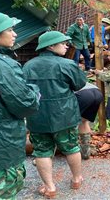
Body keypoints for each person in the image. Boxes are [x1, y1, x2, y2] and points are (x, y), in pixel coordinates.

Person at [24, 31, 87, 198]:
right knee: (71, 147)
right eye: (63, 43)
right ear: (51, 46)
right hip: (64, 115)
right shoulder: (67, 64)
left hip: (37, 117)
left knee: (42, 151)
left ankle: (50, 187)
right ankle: (76, 179)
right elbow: (80, 84)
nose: (66, 45)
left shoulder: (28, 65)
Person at [0, 12, 40, 200]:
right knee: (0, 193)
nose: (15, 34)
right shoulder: (0, 64)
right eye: (10, 30)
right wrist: (33, 90)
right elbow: (25, 104)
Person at [75, 82, 103, 160]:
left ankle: (70, 150)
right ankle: (85, 152)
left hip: (82, 94)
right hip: (97, 92)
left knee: (70, 122)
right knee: (83, 121)